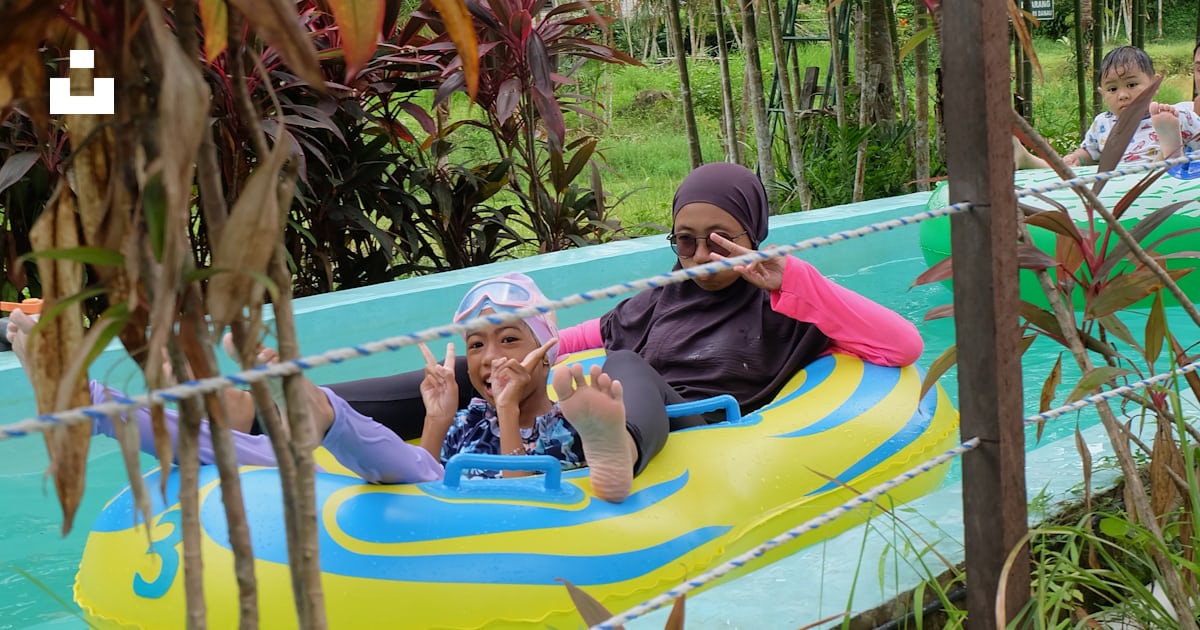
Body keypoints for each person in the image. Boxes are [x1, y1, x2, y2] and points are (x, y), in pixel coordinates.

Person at [325, 162, 924, 483]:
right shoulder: (656, 300)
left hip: (684, 424)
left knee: (625, 362)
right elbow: (564, 345)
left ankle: (620, 454)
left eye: (722, 242)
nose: (700, 258)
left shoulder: (787, 306)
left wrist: (793, 279)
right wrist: (506, 351)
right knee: (473, 365)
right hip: (617, 398)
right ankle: (296, 407)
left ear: (753, 237)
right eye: (685, 242)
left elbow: (903, 344)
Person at [4, 276, 637, 500]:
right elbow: (430, 468)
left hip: (492, 510)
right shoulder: (470, 416)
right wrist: (441, 413)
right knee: (239, 450)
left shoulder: (562, 419)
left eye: (508, 340)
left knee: (349, 440)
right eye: (476, 344)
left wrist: (503, 409)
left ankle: (310, 405)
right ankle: (89, 400)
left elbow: (520, 502)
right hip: (426, 491)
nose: (489, 357)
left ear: (547, 347)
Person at [1015, 46, 1200, 169]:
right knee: (1067, 172)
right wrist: (1077, 157)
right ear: (1101, 93)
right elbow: (1089, 151)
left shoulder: (1174, 116)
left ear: (1154, 84)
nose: (1123, 95)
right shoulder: (1102, 123)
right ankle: (1027, 159)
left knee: (1161, 167)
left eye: (1132, 85)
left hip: (1157, 182)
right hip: (1114, 187)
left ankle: (1169, 147)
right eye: (1112, 89)